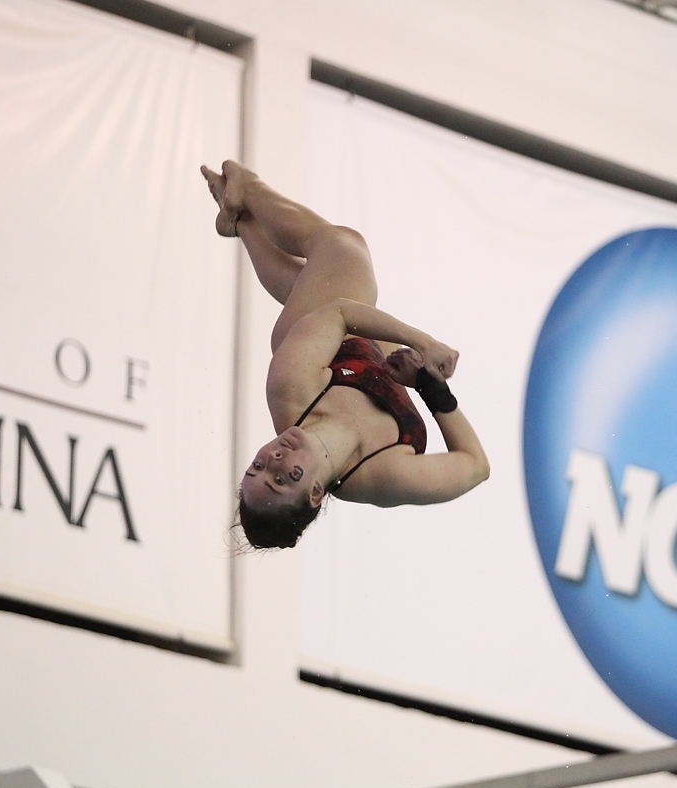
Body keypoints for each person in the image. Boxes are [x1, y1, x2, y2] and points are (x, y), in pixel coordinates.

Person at [201, 161, 489, 550]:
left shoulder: (289, 389)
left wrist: (422, 342)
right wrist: (427, 386)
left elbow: (341, 311)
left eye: (257, 466)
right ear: (316, 492)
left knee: (343, 248)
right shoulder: (383, 476)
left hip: (312, 338)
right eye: (284, 478)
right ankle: (240, 222)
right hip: (361, 344)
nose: (275, 459)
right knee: (313, 277)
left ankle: (247, 191)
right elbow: (474, 466)